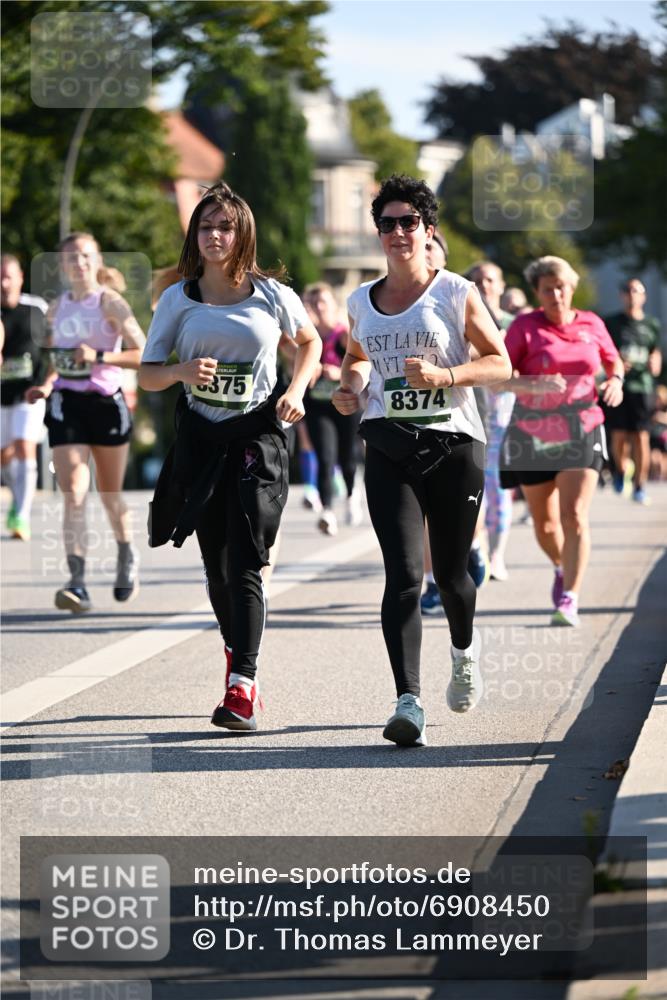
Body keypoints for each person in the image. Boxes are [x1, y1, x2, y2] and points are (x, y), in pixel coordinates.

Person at [333, 175, 511, 747]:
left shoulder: (455, 292)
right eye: (387, 223)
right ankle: (407, 701)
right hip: (390, 445)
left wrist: (446, 376)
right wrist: (350, 387)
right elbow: (356, 356)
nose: (398, 232)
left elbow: (500, 362)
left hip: (454, 445)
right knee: (405, 576)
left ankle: (464, 654)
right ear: (379, 233)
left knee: (453, 576)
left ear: (427, 229)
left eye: (408, 222)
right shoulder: (361, 300)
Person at [139, 182, 320, 733]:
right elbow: (148, 375)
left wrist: (297, 390)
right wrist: (180, 372)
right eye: (206, 226)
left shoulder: (272, 294)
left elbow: (310, 343)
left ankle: (242, 682)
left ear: (243, 235)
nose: (214, 235)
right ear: (194, 235)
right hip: (202, 439)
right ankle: (235, 647)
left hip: (256, 437)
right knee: (216, 565)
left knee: (245, 560)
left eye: (225, 227)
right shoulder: (178, 299)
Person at [500, 255, 624, 628]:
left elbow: (613, 362)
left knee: (574, 515)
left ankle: (570, 597)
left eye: (561, 287)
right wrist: (532, 384)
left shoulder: (592, 323)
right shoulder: (524, 327)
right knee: (546, 525)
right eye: (547, 289)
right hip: (532, 431)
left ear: (571, 288)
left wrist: (615, 381)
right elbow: (499, 377)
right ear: (537, 293)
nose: (555, 295)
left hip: (582, 424)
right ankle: (560, 564)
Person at [26, 234, 145, 611]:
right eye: (71, 257)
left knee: (110, 494)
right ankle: (77, 583)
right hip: (67, 402)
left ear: (97, 261)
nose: (78, 262)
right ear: (61, 265)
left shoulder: (111, 302)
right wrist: (46, 385)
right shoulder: (56, 308)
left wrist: (99, 355)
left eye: (85, 256)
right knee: (75, 492)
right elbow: (57, 359)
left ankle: (126, 552)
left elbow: (143, 353)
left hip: (106, 403)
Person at [303, 281, 362, 535]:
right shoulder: (305, 338)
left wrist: (339, 373)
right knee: (325, 456)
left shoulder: (344, 334)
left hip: (345, 404)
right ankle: (327, 511)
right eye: (313, 302)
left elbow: (361, 363)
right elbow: (289, 360)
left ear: (333, 306)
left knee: (347, 456)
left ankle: (351, 494)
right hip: (318, 406)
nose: (318, 307)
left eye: (323, 302)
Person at [470, 261, 515, 582]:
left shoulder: (515, 324)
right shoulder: (465, 319)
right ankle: (479, 549)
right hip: (473, 411)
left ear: (500, 286)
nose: (484, 285)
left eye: (489, 279)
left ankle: (497, 554)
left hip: (505, 415)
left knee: (499, 487)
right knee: (475, 487)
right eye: (477, 280)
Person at [603, 278, 662, 505]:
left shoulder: (651, 324)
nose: (632, 295)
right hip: (620, 385)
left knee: (641, 436)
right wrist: (616, 363)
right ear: (622, 295)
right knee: (618, 435)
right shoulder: (612, 322)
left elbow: (655, 350)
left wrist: (655, 363)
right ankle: (620, 470)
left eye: (637, 291)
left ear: (643, 296)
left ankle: (639, 486)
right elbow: (603, 350)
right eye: (628, 291)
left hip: (643, 387)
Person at [1, 254, 48, 540]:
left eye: (8, 276)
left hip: (30, 392)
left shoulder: (37, 308)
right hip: (1, 395)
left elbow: (55, 343)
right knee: (4, 455)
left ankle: (22, 514)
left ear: (20, 278)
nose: (4, 283)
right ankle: (17, 499)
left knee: (23, 445)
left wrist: (50, 381)